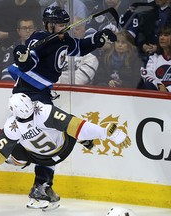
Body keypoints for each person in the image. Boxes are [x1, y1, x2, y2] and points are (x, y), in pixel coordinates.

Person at [6, 6, 116, 209]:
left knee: (48, 137)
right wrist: (22, 57)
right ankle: (24, 161)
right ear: (48, 24)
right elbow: (29, 62)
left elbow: (80, 47)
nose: (64, 27)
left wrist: (98, 39)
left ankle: (38, 180)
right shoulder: (38, 38)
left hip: (42, 93)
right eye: (60, 24)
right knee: (51, 134)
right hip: (28, 92)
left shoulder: (64, 39)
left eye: (66, 24)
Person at [0, 93, 131, 210]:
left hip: (41, 157)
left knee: (11, 151)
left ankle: (18, 162)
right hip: (64, 149)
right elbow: (78, 126)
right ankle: (81, 140)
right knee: (72, 126)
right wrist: (107, 133)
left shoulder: (11, 127)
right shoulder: (44, 110)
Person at [58, 16, 99, 85]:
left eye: (77, 29)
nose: (73, 32)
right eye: (70, 29)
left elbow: (78, 82)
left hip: (76, 94)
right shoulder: (56, 53)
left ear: (84, 31)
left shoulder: (91, 57)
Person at [140, 25, 171, 92]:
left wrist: (167, 89)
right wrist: (159, 85)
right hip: (157, 95)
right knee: (147, 85)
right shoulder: (154, 57)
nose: (162, 38)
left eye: (166, 35)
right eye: (160, 35)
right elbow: (147, 74)